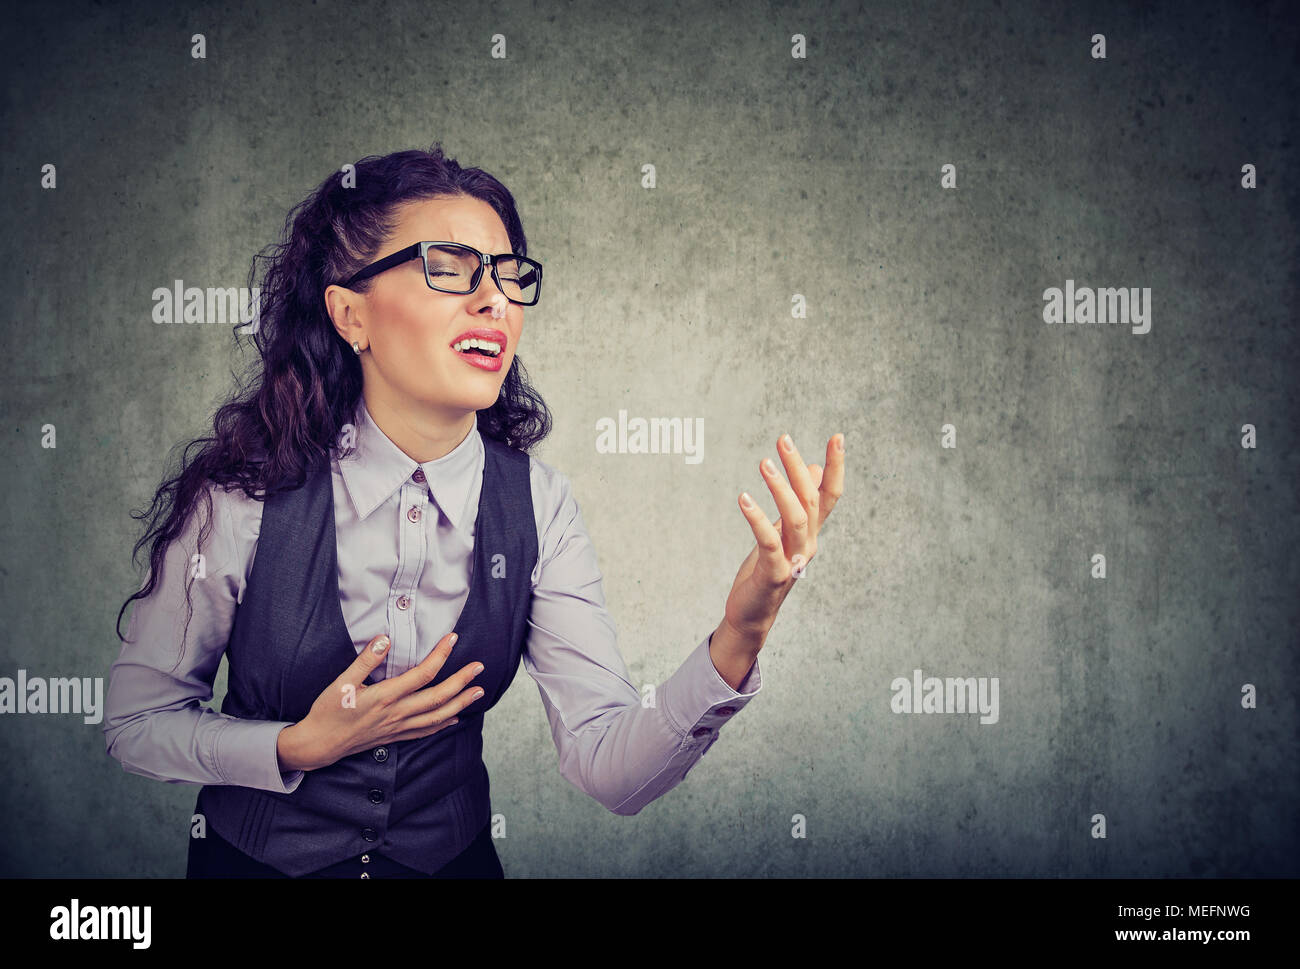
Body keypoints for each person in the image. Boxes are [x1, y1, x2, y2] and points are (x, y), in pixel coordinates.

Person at [104, 143, 845, 879]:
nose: (493, 298)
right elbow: (135, 724)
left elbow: (612, 771)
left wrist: (742, 631)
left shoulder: (540, 507)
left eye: (507, 274)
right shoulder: (242, 498)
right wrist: (293, 746)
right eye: (449, 267)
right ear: (350, 313)